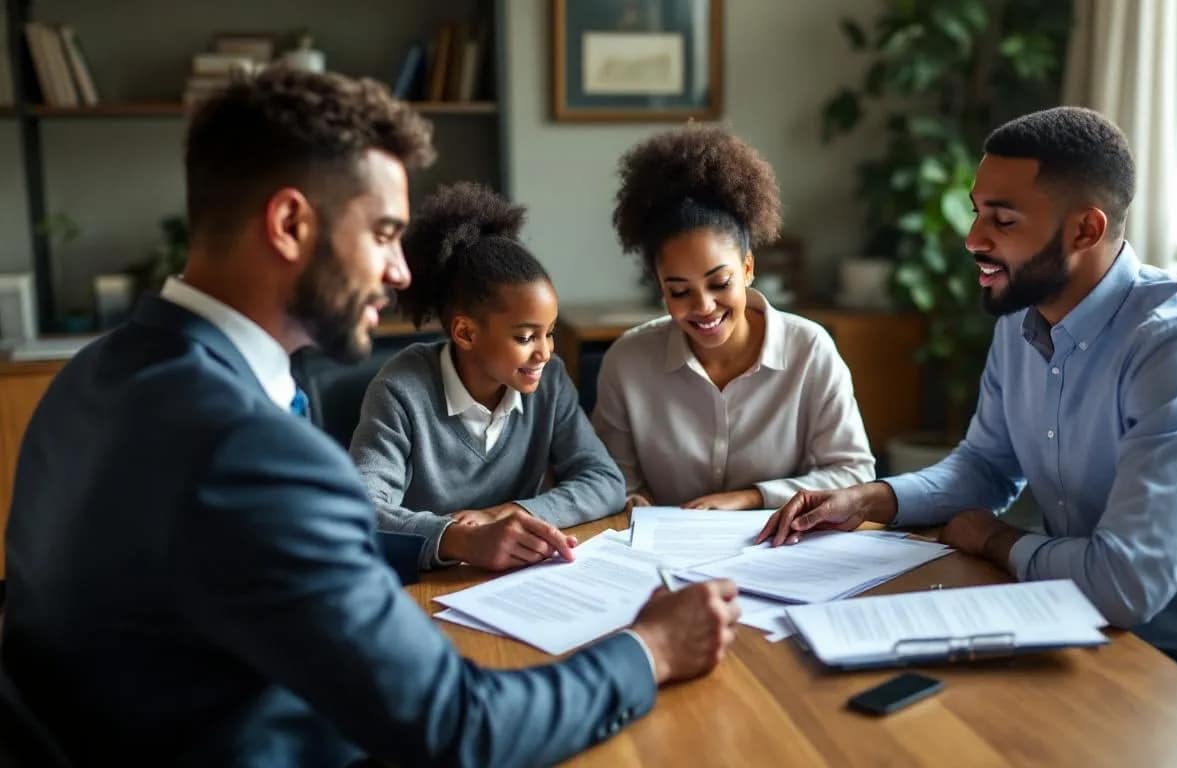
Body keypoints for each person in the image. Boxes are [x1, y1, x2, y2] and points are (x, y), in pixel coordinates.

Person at [2, 68, 740, 767]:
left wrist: (454, 539)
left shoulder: (88, 379)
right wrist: (651, 648)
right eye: (385, 233)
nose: (402, 272)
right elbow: (461, 728)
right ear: (290, 223)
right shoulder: (250, 449)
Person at [756, 107, 1177, 743]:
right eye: (977, 209)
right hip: (1072, 627)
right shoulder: (1023, 319)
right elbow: (986, 464)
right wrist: (875, 499)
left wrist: (994, 541)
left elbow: (1126, 586)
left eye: (1002, 220)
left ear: (1085, 229)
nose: (972, 238)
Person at [592, 124, 876, 512]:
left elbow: (855, 474)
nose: (704, 306)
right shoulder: (627, 363)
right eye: (679, 291)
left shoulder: (809, 350)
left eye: (719, 282)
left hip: (783, 553)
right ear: (660, 286)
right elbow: (612, 481)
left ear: (747, 268)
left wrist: (751, 498)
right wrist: (630, 502)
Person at [350, 182, 625, 571]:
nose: (545, 352)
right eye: (526, 337)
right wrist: (461, 539)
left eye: (550, 333)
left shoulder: (549, 380)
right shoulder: (400, 390)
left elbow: (605, 481)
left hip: (513, 579)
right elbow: (363, 511)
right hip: (426, 584)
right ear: (465, 333)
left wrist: (505, 514)